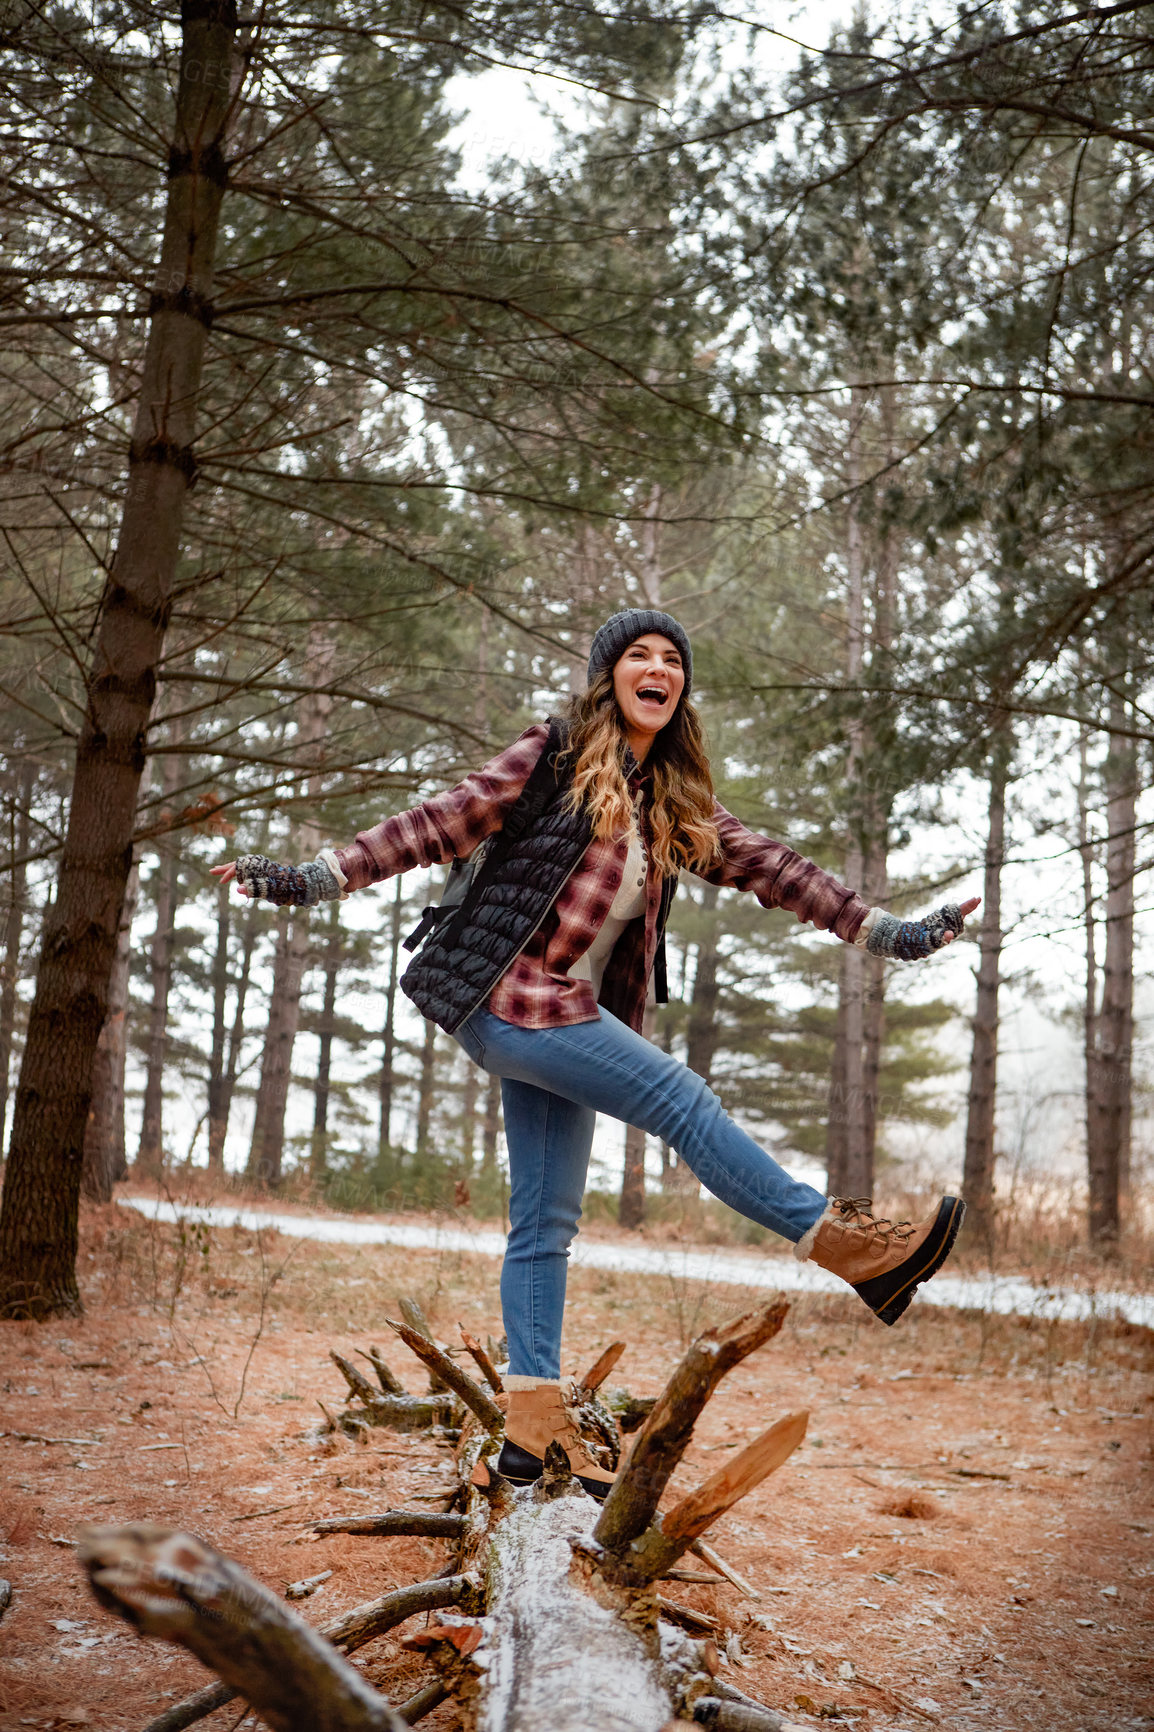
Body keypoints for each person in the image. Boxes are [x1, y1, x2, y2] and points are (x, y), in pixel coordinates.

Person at [213, 607, 979, 1499]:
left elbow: (777, 868)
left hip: (563, 1012)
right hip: (510, 999)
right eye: (638, 656)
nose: (657, 669)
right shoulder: (556, 756)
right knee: (685, 1103)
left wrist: (895, 933)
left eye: (672, 661)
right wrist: (316, 877)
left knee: (544, 1223)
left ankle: (530, 1439)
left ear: (680, 688)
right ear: (609, 675)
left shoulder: (672, 802)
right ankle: (846, 1245)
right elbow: (443, 821)